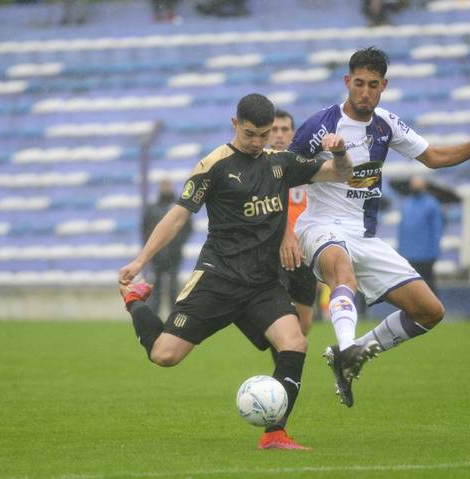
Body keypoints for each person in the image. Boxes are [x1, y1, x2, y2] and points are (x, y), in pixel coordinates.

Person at [287, 47, 470, 407]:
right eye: (359, 83)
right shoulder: (321, 124)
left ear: (384, 86)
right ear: (347, 82)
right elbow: (282, 173)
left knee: (430, 312)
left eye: (373, 85)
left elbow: (433, 157)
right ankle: (348, 345)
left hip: (362, 234)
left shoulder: (386, 124)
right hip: (320, 226)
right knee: (343, 273)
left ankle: (351, 355)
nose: (365, 92)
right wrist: (285, 232)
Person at [117, 93, 353, 450]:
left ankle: (275, 433)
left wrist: (339, 152)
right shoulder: (213, 165)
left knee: (295, 342)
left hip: (262, 283)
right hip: (219, 277)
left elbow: (340, 173)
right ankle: (135, 302)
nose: (258, 143)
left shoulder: (280, 162)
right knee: (164, 356)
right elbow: (177, 216)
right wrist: (139, 261)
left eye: (264, 134)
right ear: (234, 125)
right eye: (249, 134)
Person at [270, 109, 317, 352]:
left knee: (304, 323)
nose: (279, 135)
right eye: (274, 130)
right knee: (281, 319)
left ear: (293, 133)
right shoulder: (260, 166)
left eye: (284, 129)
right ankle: (282, 378)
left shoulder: (305, 166)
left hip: (304, 252)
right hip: (272, 252)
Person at [142, 179, 193, 316]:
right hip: (157, 255)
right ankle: (153, 316)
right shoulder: (152, 208)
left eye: (167, 185)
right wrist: (149, 250)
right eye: (163, 186)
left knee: (172, 287)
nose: (165, 188)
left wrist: (178, 243)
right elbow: (145, 229)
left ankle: (173, 316)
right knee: (156, 287)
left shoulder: (179, 208)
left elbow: (188, 228)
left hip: (174, 255)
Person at [397, 175, 443, 294]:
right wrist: (401, 251)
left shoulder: (432, 204)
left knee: (428, 287)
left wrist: (434, 252)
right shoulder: (407, 204)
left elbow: (437, 230)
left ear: (424, 186)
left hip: (426, 256)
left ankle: (434, 311)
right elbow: (402, 229)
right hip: (408, 254)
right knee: (411, 288)